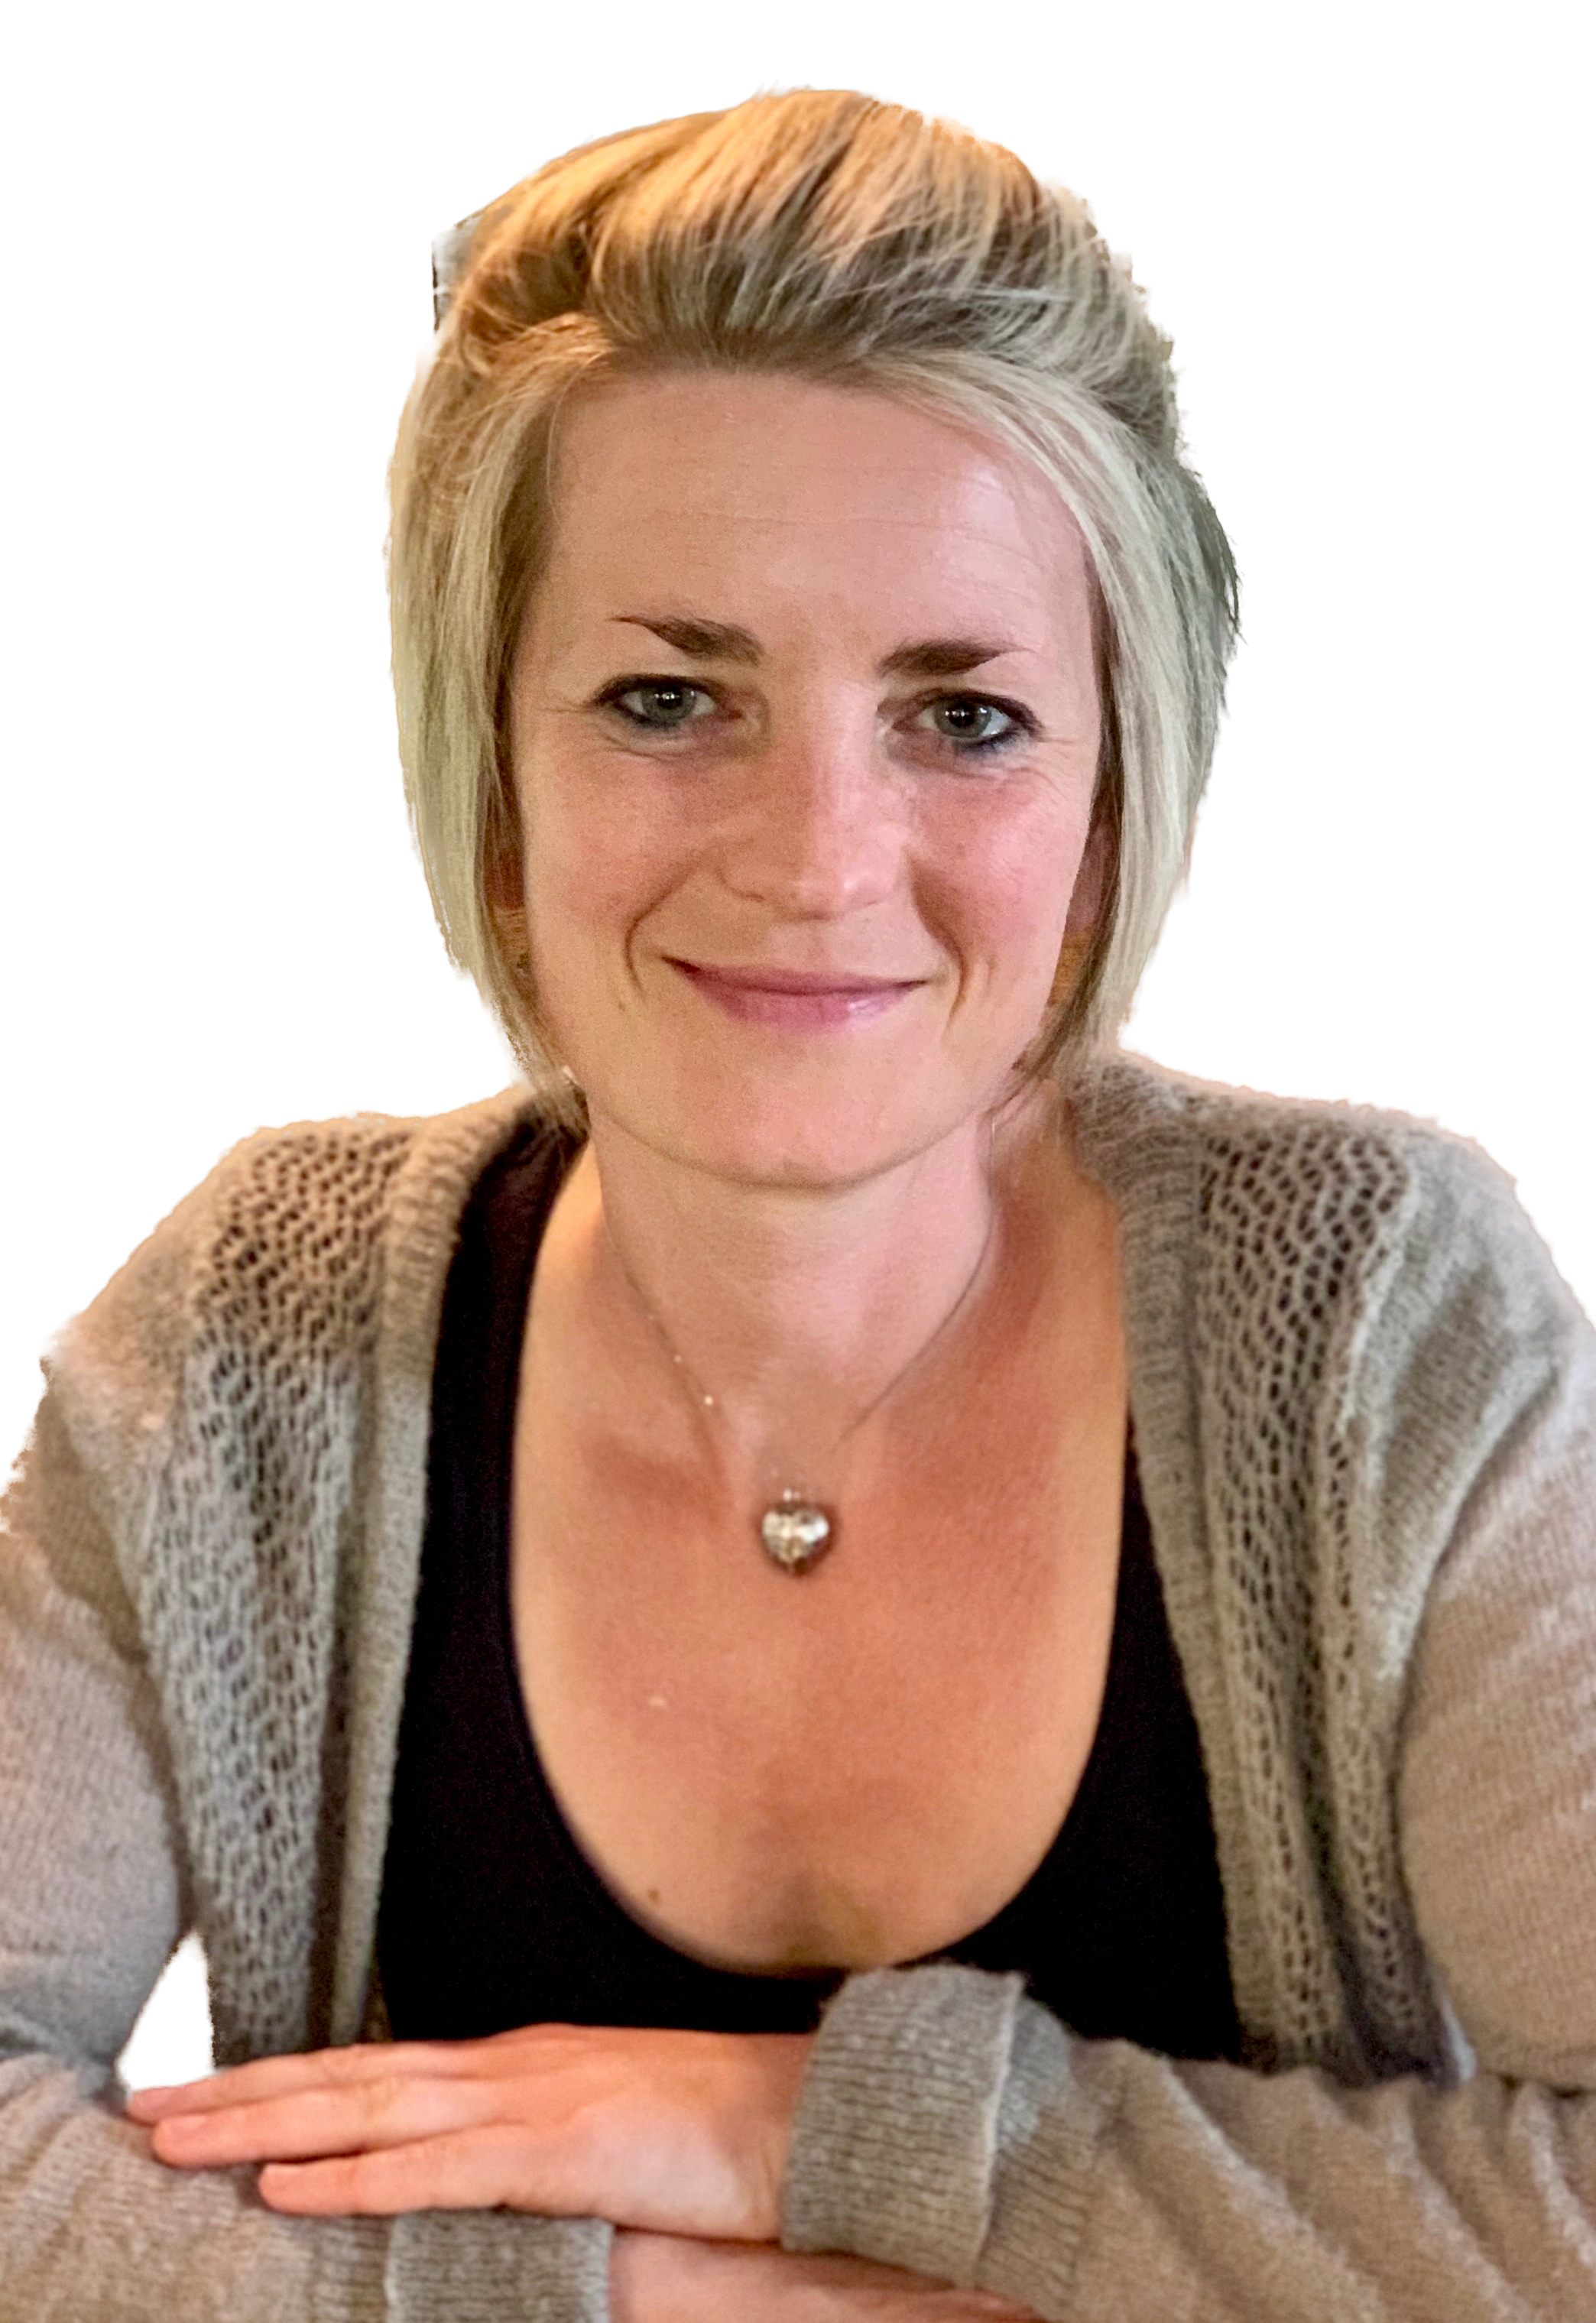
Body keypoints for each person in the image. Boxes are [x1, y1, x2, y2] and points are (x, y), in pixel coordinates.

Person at [1, 83, 1591, 2323]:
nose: (819, 860)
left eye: (965, 718)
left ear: (1119, 785)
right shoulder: (248, 1329)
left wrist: (804, 2131)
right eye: (669, 698)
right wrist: (673, 2296)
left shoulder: (1382, 1315)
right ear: (492, 761)